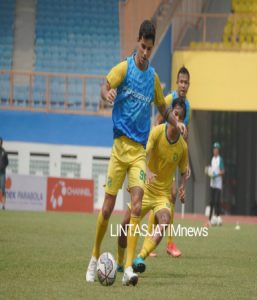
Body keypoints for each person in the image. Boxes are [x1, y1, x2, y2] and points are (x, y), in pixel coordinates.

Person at [85, 20, 186, 286]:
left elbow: (164, 109)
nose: (145, 52)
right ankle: (95, 256)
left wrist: (176, 123)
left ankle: (128, 267)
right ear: (138, 42)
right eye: (143, 47)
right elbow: (104, 86)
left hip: (139, 152)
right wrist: (107, 94)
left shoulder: (152, 77)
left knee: (138, 205)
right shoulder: (124, 68)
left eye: (149, 49)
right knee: (107, 209)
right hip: (120, 149)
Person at [116, 98, 188, 273]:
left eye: (180, 116)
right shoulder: (156, 132)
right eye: (175, 114)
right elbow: (144, 152)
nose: (176, 118)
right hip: (146, 189)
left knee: (164, 222)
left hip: (162, 195)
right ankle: (119, 262)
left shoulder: (182, 147)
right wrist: (147, 171)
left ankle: (140, 257)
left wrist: (182, 186)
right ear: (170, 114)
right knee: (124, 224)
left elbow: (184, 170)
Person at [149, 66, 191, 257]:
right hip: (160, 154)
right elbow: (158, 123)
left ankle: (169, 242)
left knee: (171, 196)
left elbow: (184, 135)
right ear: (176, 82)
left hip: (173, 155)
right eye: (181, 81)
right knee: (160, 196)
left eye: (186, 82)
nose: (183, 85)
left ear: (189, 85)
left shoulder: (187, 106)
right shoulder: (168, 100)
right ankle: (159, 241)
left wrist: (186, 162)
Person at [207, 142, 225, 226]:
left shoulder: (220, 159)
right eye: (214, 149)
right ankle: (210, 219)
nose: (215, 151)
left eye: (216, 149)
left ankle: (218, 218)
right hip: (212, 184)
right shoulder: (212, 159)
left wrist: (216, 175)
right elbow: (211, 169)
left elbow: (222, 171)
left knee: (217, 201)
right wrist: (209, 172)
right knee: (211, 202)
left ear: (218, 151)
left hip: (218, 184)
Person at [0, 137, 9, 210]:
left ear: (1, 143)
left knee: (2, 188)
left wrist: (3, 166)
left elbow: (7, 162)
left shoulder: (4, 152)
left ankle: (3, 205)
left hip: (2, 173)